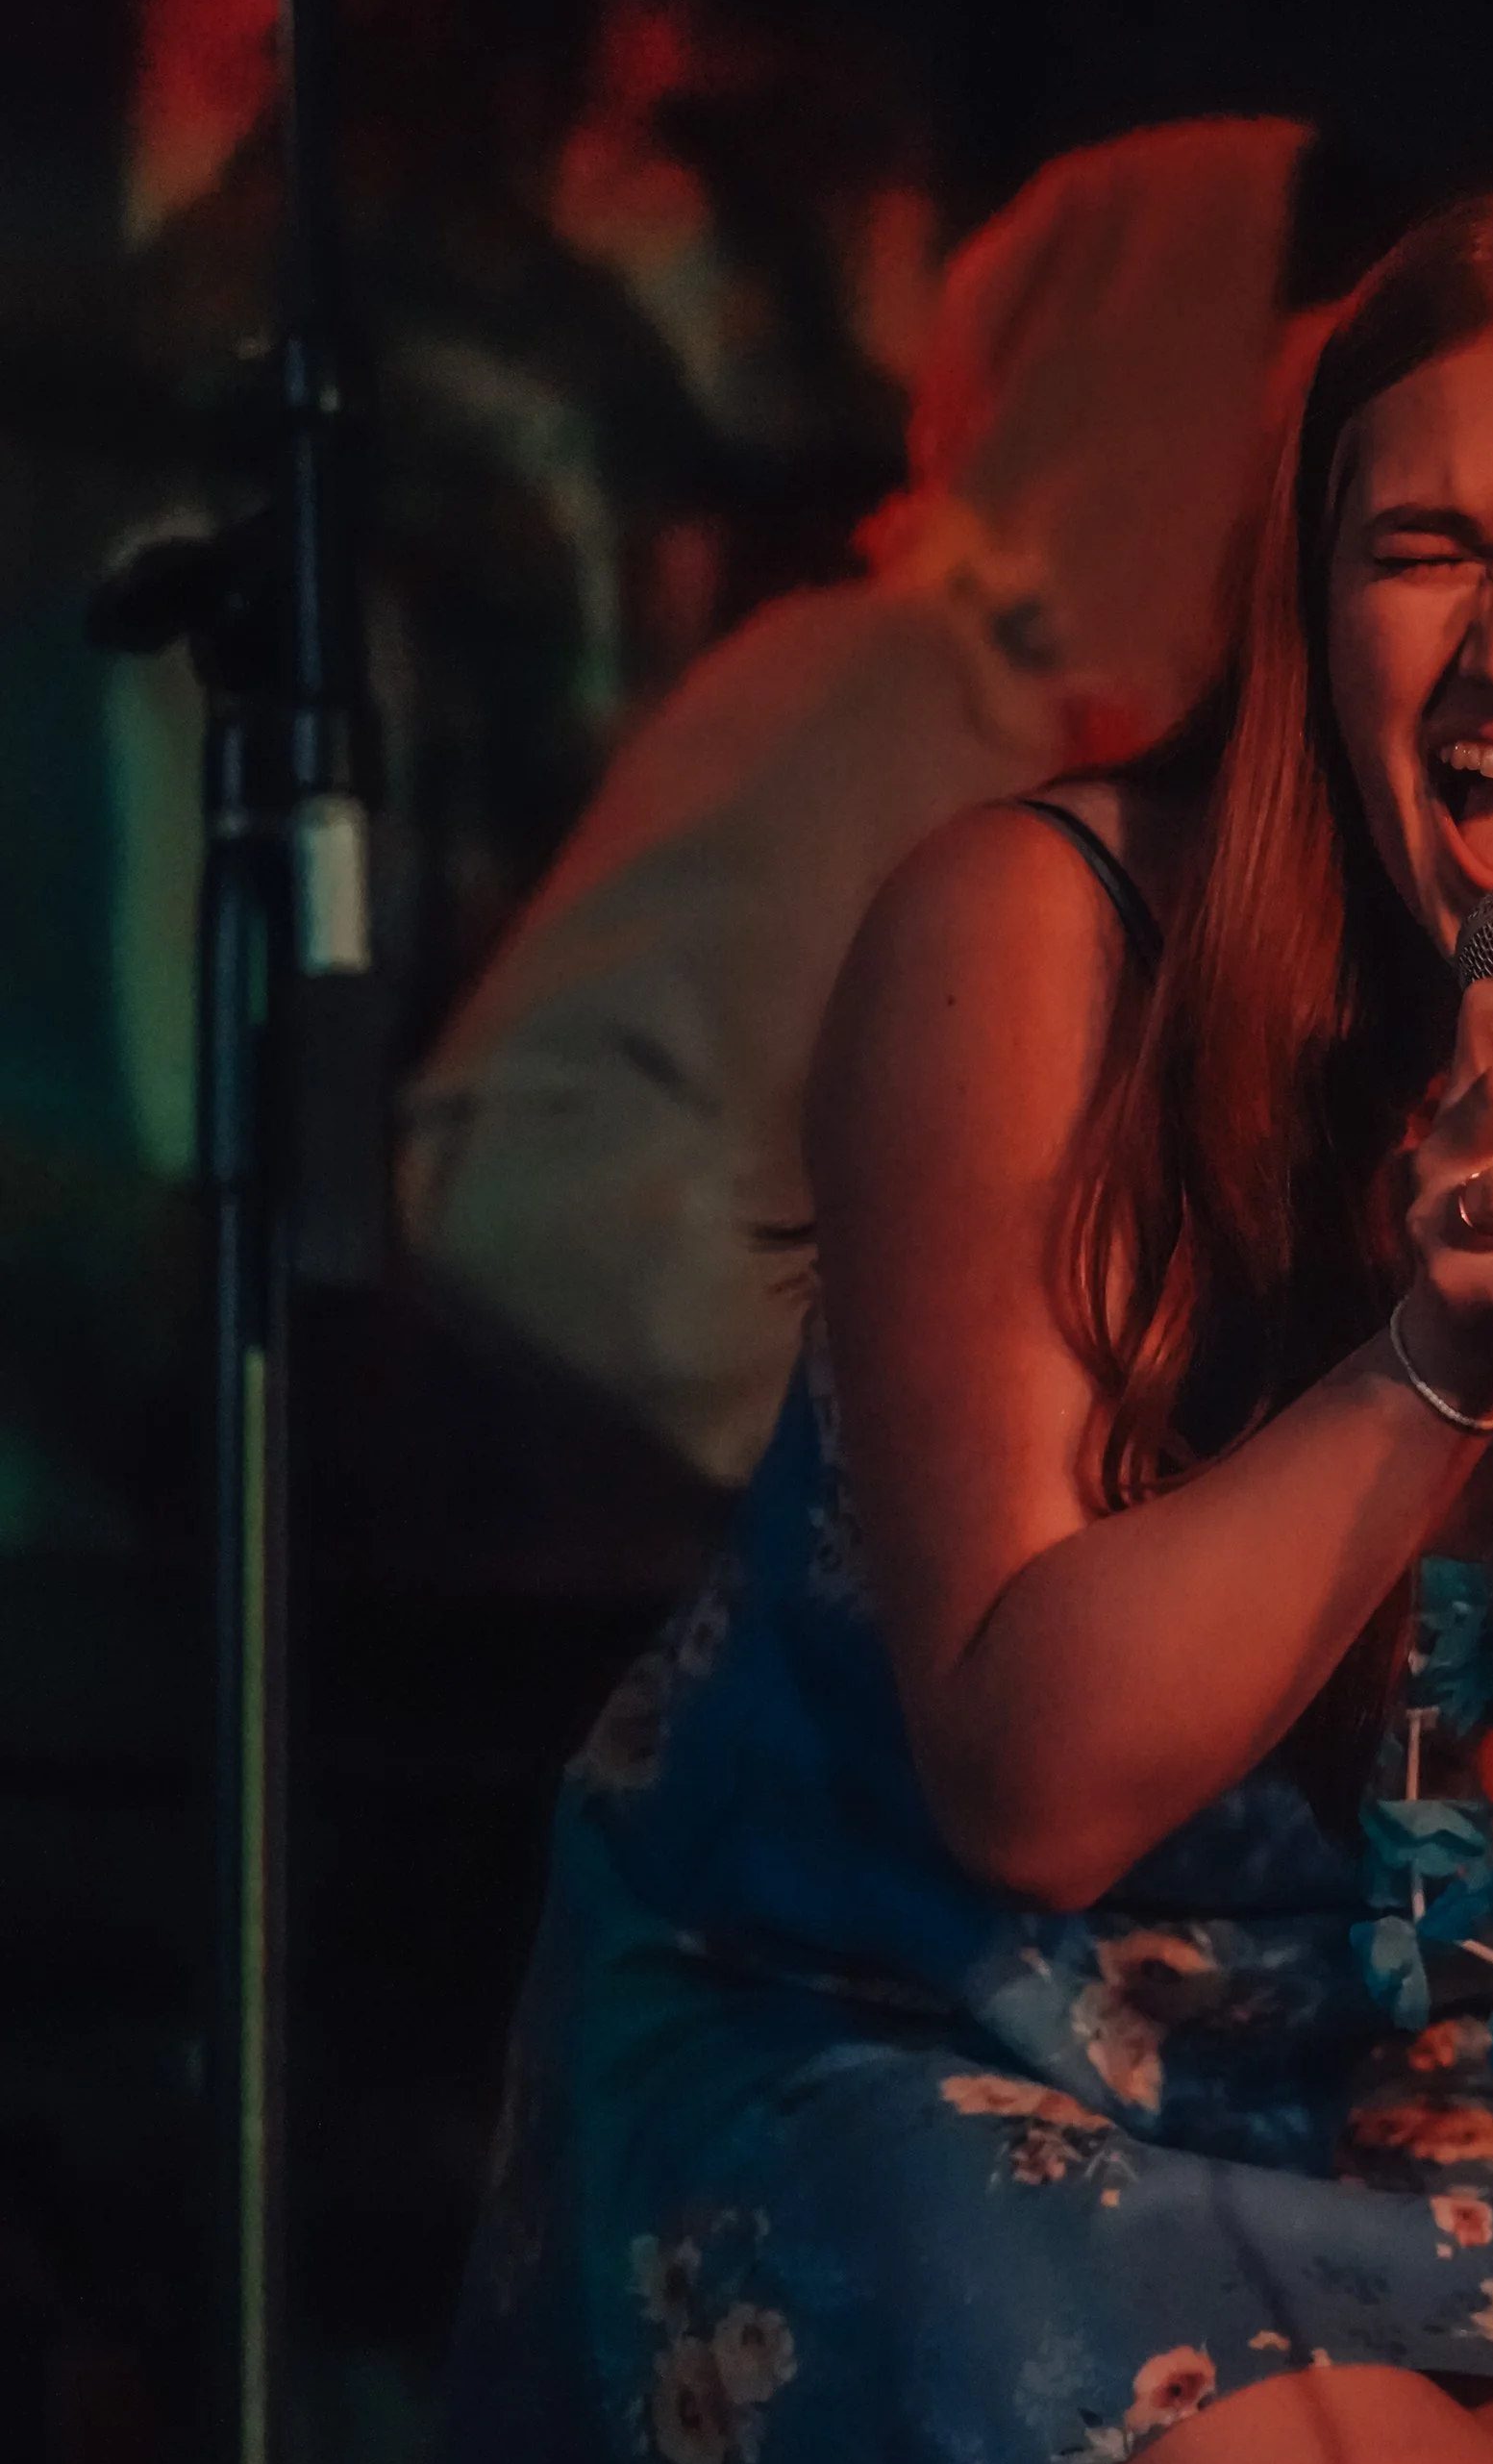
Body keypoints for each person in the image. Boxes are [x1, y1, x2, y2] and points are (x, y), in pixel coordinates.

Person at [401, 181, 1493, 2464]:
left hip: (1337, 2068)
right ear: (1303, 596)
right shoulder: (1032, 935)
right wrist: (1425, 1366)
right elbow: (1029, 1776)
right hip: (896, 2010)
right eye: (1422, 547)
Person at [399, 115, 1362, 1494]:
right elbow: (521, 1169)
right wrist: (956, 1434)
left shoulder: (1323, 813)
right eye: (1332, 379)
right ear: (1180, 375)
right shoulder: (886, 687)